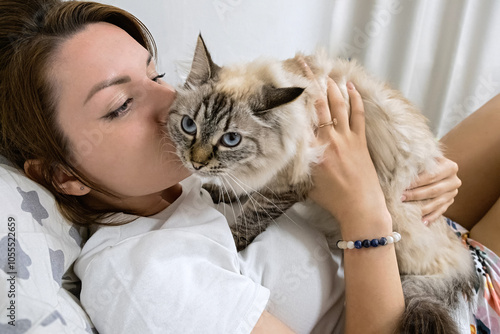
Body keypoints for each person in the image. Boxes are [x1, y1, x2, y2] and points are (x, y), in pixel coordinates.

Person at [0, 0, 484, 333]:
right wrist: (364, 210)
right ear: (62, 176)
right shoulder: (151, 281)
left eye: (156, 73)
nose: (171, 102)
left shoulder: (175, 185)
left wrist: (422, 172)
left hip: (434, 237)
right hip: (457, 306)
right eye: (121, 104)